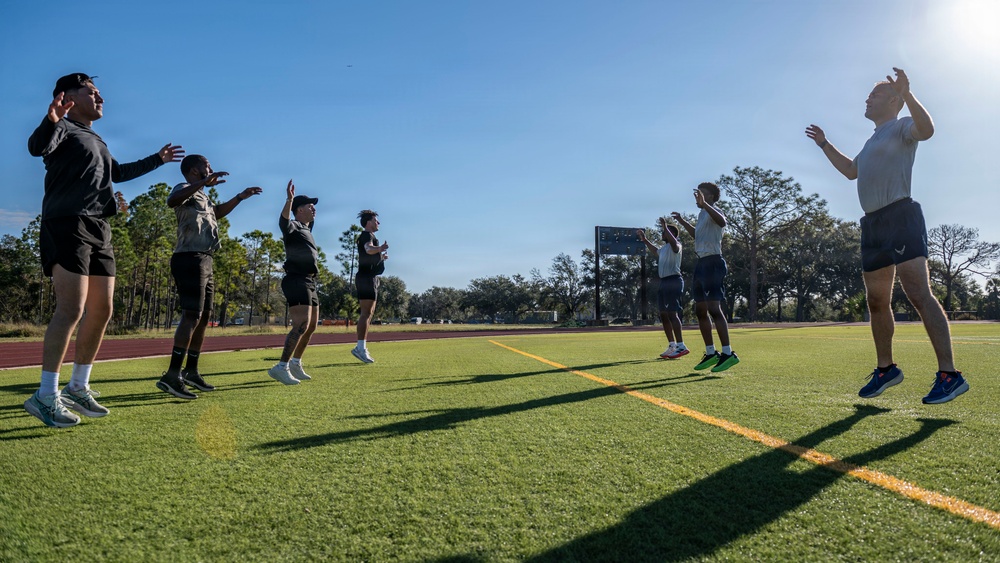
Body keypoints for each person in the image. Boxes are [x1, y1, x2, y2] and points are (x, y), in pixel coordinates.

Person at [24, 73, 183, 427]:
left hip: (99, 227)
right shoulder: (62, 128)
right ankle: (45, 395)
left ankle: (78, 386)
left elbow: (117, 172)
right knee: (72, 308)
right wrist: (50, 120)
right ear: (68, 97)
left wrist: (157, 159)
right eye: (93, 92)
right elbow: (38, 147)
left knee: (103, 309)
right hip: (67, 223)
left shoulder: (94, 137)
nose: (101, 98)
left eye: (100, 93)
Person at [806, 67, 968, 404]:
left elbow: (928, 129)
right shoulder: (872, 141)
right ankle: (886, 369)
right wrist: (824, 144)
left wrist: (908, 94)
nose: (867, 99)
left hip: (900, 216)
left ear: (893, 99)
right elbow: (852, 171)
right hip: (873, 225)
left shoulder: (902, 127)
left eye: (875, 95)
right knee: (876, 301)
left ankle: (950, 375)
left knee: (918, 293)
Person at [156, 155, 262, 399]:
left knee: (204, 317)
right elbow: (172, 201)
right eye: (207, 166)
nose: (211, 169)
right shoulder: (184, 188)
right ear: (194, 170)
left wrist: (239, 198)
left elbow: (217, 212)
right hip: (189, 257)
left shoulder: (202, 195)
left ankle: (191, 372)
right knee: (191, 315)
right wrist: (203, 183)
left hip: (205, 259)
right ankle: (172, 375)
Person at [671, 183, 740, 373]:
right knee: (700, 310)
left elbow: (723, 221)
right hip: (701, 264)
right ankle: (711, 353)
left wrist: (705, 205)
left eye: (701, 193)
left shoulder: (713, 210)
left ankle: (728, 353)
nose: (697, 195)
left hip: (713, 263)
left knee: (713, 309)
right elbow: (697, 235)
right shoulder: (702, 215)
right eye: (696, 193)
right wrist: (683, 221)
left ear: (710, 196)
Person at [267, 180, 320, 385]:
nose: (313, 208)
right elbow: (283, 222)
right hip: (296, 279)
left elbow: (310, 219)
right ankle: (281, 367)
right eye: (309, 205)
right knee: (300, 325)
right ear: (298, 210)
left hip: (309, 281)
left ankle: (296, 362)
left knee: (311, 326)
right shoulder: (293, 226)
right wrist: (289, 199)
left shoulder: (307, 228)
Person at [638, 217, 689, 359]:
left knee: (672, 314)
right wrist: (645, 240)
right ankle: (672, 345)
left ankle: (681, 345)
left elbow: (673, 242)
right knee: (664, 315)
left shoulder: (676, 245)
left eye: (665, 232)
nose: (662, 233)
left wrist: (665, 226)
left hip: (673, 281)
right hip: (664, 282)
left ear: (671, 234)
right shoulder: (664, 249)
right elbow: (655, 251)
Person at [351, 210, 388, 364]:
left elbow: (369, 254)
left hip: (369, 278)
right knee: (366, 313)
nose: (378, 223)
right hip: (366, 278)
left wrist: (381, 257)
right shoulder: (367, 235)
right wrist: (380, 249)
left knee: (369, 313)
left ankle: (361, 347)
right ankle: (360, 348)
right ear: (369, 222)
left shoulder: (371, 237)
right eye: (376, 220)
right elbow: (368, 249)